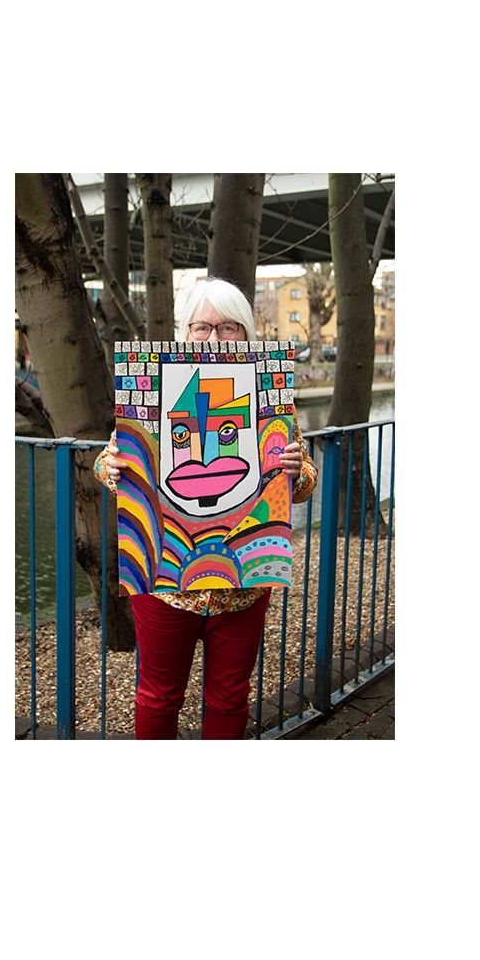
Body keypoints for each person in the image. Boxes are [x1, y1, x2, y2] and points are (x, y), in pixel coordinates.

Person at [93, 276, 317, 740]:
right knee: (158, 695)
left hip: (244, 582)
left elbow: (302, 483)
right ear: (185, 333)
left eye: (228, 327)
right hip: (165, 582)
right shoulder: (153, 391)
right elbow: (110, 459)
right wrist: (110, 466)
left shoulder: (272, 397)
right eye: (202, 327)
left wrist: (297, 469)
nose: (214, 339)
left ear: (247, 333)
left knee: (231, 696)